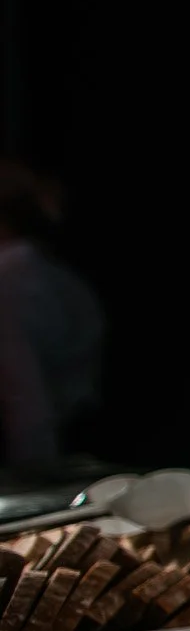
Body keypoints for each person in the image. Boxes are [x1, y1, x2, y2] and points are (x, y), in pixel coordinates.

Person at [0, 161, 103, 467]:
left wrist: (35, 472)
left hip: (52, 454)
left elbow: (26, 401)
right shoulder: (42, 273)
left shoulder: (11, 280)